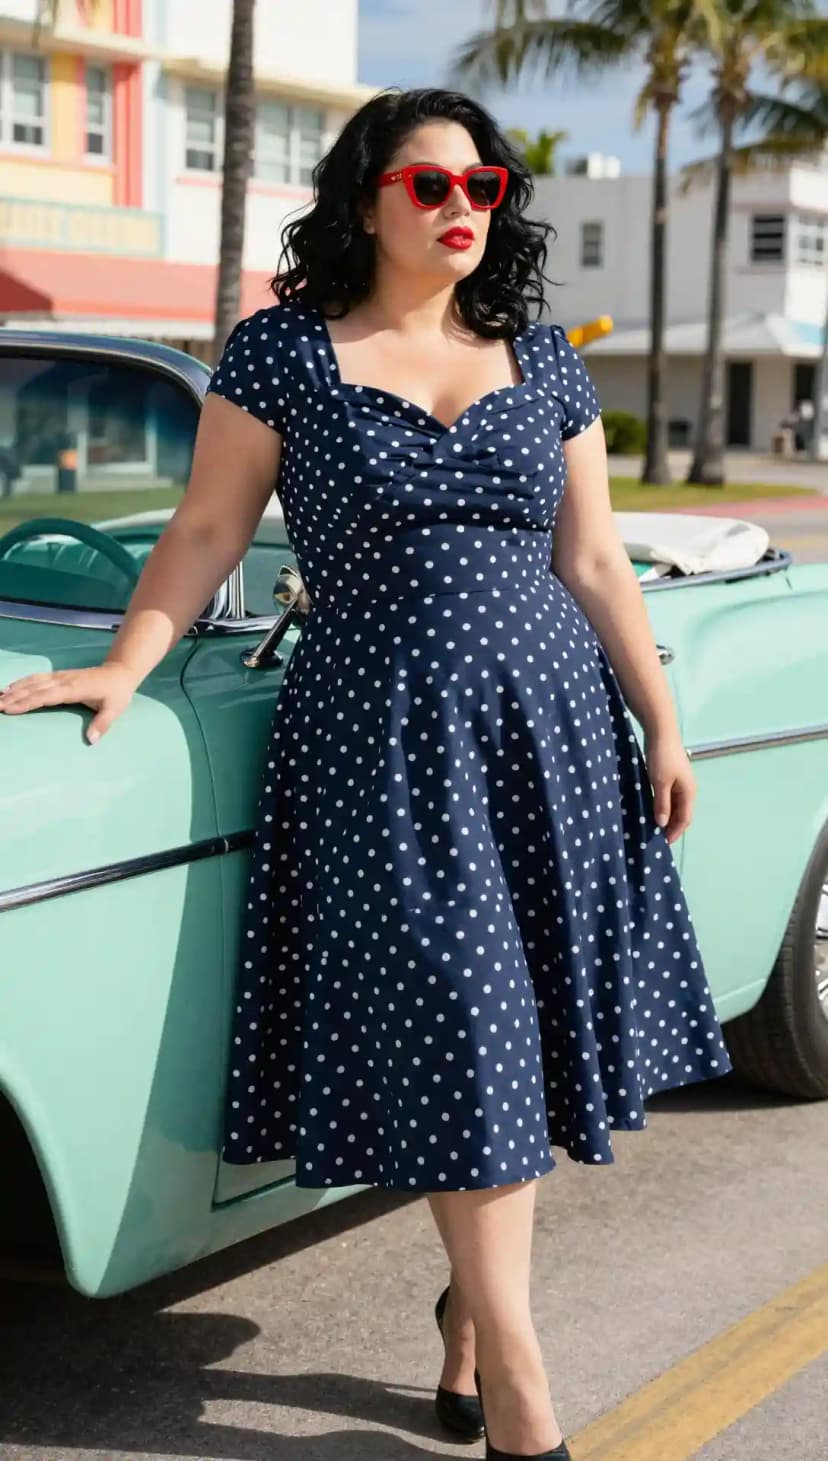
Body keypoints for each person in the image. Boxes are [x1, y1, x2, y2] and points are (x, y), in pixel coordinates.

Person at [0, 86, 734, 1461]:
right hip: (379, 739)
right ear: (365, 203)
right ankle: (522, 1384)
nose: (463, 207)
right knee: (466, 1018)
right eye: (431, 187)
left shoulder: (543, 358)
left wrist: (663, 723)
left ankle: (475, 1305)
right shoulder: (282, 353)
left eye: (486, 188)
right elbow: (210, 525)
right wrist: (125, 661)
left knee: (522, 1030)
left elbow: (592, 560)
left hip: (552, 732)